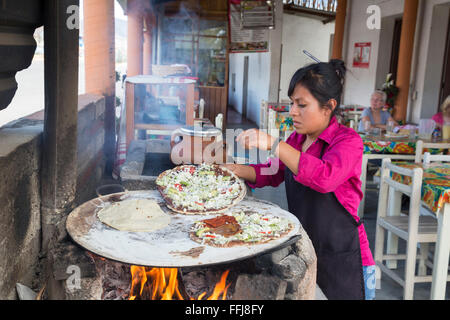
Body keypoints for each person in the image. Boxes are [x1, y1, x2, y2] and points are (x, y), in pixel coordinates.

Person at [225, 60, 376, 300]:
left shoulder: (348, 142)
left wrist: (274, 144)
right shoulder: (297, 140)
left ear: (328, 107)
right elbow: (272, 172)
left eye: (301, 104)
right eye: (292, 103)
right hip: (307, 251)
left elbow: (325, 177)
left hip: (343, 257)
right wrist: (231, 170)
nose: (292, 111)